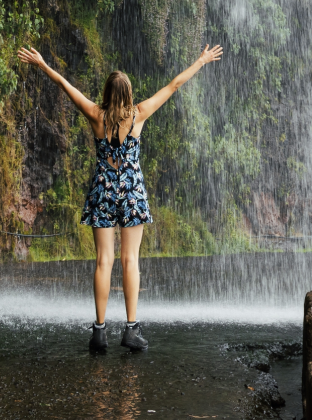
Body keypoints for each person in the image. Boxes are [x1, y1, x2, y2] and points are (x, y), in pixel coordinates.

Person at [16, 42, 224, 353]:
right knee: (130, 260)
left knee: (104, 260)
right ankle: (131, 330)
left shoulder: (95, 114)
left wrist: (43, 65)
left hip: (103, 189)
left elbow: (64, 85)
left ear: (107, 93)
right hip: (131, 192)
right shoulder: (139, 114)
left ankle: (99, 333)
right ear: (128, 94)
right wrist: (201, 61)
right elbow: (174, 85)